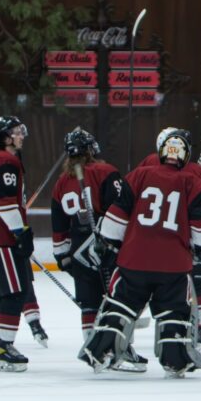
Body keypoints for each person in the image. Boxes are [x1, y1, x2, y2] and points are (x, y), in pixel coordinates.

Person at [79, 130, 201, 378]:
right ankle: (175, 361)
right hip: (173, 264)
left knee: (120, 306)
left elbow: (117, 215)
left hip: (134, 259)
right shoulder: (194, 182)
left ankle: (100, 352)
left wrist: (108, 241)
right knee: (174, 312)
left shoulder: (139, 175)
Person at [50, 129, 147, 372]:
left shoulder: (61, 182)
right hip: (104, 244)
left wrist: (62, 254)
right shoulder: (105, 172)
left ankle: (94, 349)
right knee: (116, 300)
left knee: (89, 303)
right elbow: (119, 208)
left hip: (78, 250)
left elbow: (59, 223)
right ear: (91, 150)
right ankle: (119, 349)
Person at [139, 128, 201, 355]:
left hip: (157, 240)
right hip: (185, 240)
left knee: (160, 285)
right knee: (197, 285)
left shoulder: (147, 165)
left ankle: (169, 328)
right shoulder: (200, 173)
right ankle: (196, 330)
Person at [0, 116, 45, 372]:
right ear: (5, 137)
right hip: (1, 239)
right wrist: (21, 232)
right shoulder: (5, 161)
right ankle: (4, 345)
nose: (22, 135)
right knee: (16, 292)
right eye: (16, 132)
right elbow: (5, 204)